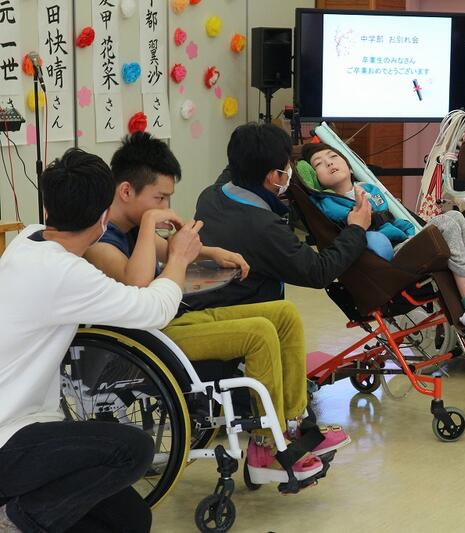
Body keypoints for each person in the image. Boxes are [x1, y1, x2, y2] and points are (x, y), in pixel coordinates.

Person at [84, 133, 347, 486]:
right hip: (148, 338)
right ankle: (265, 447)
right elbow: (139, 287)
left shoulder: (130, 225)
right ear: (126, 191)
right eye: (159, 198)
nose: (166, 207)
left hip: (174, 319)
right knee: (258, 333)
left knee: (284, 315)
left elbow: (168, 249)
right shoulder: (100, 241)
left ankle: (292, 423)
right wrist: (150, 227)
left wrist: (213, 253)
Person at [0, 148, 202, 532]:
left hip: (27, 426)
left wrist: (152, 231)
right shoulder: (63, 273)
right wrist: (178, 258)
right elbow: (153, 307)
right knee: (133, 449)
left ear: (48, 208)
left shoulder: (28, 239)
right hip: (8, 439)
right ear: (105, 216)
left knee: (131, 519)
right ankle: (14, 522)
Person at [300, 142, 465, 313]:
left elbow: (391, 219)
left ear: (348, 163)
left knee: (455, 215)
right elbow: (351, 221)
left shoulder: (369, 188)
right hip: (390, 255)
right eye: (319, 164)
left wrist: (410, 231)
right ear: (315, 178)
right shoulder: (328, 203)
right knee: (446, 222)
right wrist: (358, 205)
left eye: (333, 156)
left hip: (403, 240)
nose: (329, 163)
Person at [191, 122, 372, 310]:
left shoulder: (210, 195)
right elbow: (318, 271)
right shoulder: (265, 227)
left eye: (333, 157)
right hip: (243, 311)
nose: (290, 168)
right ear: (273, 176)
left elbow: (242, 159)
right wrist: (356, 229)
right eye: (287, 165)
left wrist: (304, 150)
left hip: (204, 299)